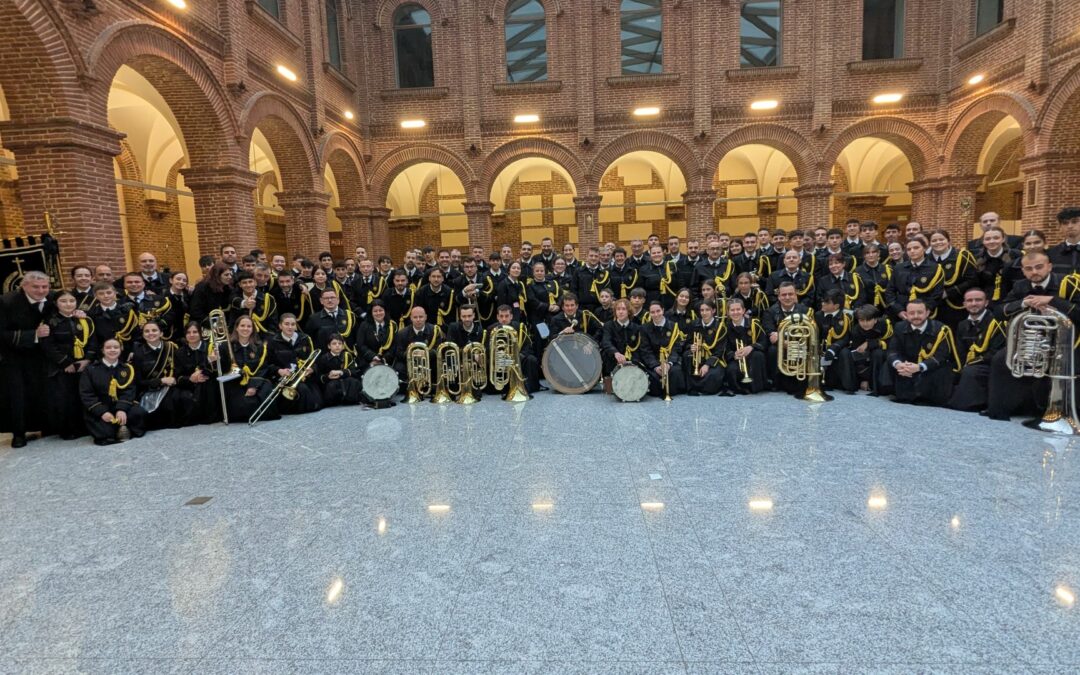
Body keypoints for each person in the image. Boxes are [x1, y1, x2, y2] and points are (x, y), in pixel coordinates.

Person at [986, 251, 1079, 421]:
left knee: (1070, 362)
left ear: (1049, 266)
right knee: (1000, 360)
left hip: (1066, 342)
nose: (1034, 272)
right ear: (1023, 271)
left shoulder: (1068, 283)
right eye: (1029, 269)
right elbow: (999, 312)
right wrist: (1022, 303)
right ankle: (1000, 411)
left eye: (1039, 267)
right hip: (1033, 341)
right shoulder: (1020, 286)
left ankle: (1062, 413)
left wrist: (1052, 300)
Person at [0, 271, 54, 447]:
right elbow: (2, 333)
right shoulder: (6, 302)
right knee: (18, 395)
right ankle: (19, 433)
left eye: (44, 286)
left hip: (43, 356)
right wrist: (33, 335)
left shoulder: (52, 299)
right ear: (24, 286)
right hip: (16, 357)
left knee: (44, 391)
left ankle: (47, 427)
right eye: (36, 287)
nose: (41, 290)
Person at [886, 299, 959, 406]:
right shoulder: (899, 327)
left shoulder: (941, 329)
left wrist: (920, 367)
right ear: (906, 314)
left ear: (928, 313)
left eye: (920, 312)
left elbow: (942, 356)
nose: (916, 316)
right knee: (888, 364)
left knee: (942, 370)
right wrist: (899, 364)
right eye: (911, 313)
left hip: (929, 367)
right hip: (907, 365)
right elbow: (893, 351)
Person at [43, 290, 95, 439]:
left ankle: (86, 427)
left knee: (83, 396)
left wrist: (88, 359)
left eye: (71, 301)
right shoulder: (50, 322)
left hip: (84, 364)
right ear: (56, 303)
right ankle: (68, 430)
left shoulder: (84, 320)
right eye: (63, 301)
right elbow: (48, 346)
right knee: (66, 398)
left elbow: (93, 341)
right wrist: (65, 363)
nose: (68, 304)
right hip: (61, 367)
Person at [947, 288, 1007, 413]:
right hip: (969, 364)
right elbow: (960, 351)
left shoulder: (997, 322)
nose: (973, 303)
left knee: (971, 371)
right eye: (969, 300)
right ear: (964, 304)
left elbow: (996, 352)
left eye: (978, 300)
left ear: (986, 303)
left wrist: (972, 363)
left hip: (989, 365)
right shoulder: (962, 324)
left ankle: (969, 405)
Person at [79, 337, 147, 445]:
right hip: (102, 406)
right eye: (108, 347)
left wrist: (122, 409)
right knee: (104, 432)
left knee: (138, 413)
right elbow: (87, 394)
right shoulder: (91, 370)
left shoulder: (126, 369)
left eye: (116, 347)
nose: (112, 350)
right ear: (102, 350)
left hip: (121, 405)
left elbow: (129, 390)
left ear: (121, 349)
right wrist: (102, 412)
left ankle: (124, 428)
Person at [131, 321, 195, 430]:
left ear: (161, 333)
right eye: (147, 331)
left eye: (154, 330)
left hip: (172, 387)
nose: (150, 333)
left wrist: (175, 379)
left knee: (186, 398)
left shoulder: (172, 347)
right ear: (143, 335)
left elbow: (180, 370)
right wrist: (160, 381)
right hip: (151, 390)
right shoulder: (138, 354)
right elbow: (138, 381)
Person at [220, 315, 279, 424]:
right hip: (235, 383)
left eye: (249, 326)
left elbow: (263, 369)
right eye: (242, 325)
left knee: (266, 393)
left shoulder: (259, 347)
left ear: (253, 329)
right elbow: (222, 371)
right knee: (243, 404)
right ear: (236, 328)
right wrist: (213, 359)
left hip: (255, 381)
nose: (245, 329)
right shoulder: (225, 346)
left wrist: (253, 386)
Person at [763, 281, 813, 395]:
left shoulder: (806, 311)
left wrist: (784, 340)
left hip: (799, 346)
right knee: (772, 350)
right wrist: (787, 342)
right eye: (784, 295)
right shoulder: (770, 312)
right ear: (779, 296)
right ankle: (775, 382)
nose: (787, 297)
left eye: (790, 294)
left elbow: (809, 333)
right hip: (780, 348)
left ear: (796, 295)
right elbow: (772, 337)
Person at [267, 314, 323, 415]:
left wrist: (312, 369)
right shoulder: (272, 342)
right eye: (286, 324)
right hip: (285, 379)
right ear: (280, 326)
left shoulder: (305, 338)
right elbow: (268, 363)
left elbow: (313, 359)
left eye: (293, 324)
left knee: (312, 395)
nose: (290, 327)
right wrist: (279, 370)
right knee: (301, 390)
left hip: (304, 378)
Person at [928, 228, 978, 328]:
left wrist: (949, 292)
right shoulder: (926, 259)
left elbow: (973, 280)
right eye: (934, 240)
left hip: (957, 306)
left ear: (949, 241)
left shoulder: (963, 257)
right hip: (932, 307)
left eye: (941, 239)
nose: (938, 242)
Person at [174, 320, 221, 425]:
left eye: (195, 332)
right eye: (188, 332)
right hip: (189, 386)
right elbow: (178, 377)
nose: (191, 335)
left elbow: (217, 371)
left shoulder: (210, 347)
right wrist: (190, 379)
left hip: (208, 383)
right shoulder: (179, 352)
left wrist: (204, 367)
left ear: (200, 333)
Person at [885, 237, 943, 321]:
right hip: (901, 313)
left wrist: (925, 311)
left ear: (924, 248)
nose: (912, 251)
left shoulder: (935, 268)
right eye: (909, 249)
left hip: (926, 313)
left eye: (916, 248)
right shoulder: (898, 268)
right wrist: (899, 310)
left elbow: (937, 294)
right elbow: (889, 291)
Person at [491, 304, 542, 395]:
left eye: (506, 316)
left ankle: (529, 387)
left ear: (511, 316)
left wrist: (517, 357)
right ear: (497, 317)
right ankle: (501, 388)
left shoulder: (520, 327)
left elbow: (528, 347)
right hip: (500, 360)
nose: (504, 319)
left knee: (531, 359)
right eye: (501, 316)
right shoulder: (491, 329)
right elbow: (488, 350)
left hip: (518, 357)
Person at [682, 300, 730, 396]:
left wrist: (707, 365)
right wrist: (690, 347)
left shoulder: (721, 327)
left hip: (714, 359)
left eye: (707, 310)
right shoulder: (694, 324)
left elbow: (720, 350)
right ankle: (691, 387)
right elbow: (687, 342)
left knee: (712, 376)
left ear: (713, 311)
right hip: (698, 357)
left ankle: (698, 385)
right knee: (686, 356)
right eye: (702, 310)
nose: (704, 313)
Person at [392, 306, 444, 394]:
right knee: (399, 367)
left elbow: (439, 349)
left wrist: (425, 353)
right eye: (415, 317)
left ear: (426, 317)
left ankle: (434, 387)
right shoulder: (402, 333)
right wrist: (412, 354)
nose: (418, 319)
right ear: (411, 318)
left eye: (421, 317)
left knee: (439, 364)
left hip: (429, 362)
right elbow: (398, 353)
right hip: (410, 363)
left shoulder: (435, 330)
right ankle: (408, 388)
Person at [721, 297, 767, 394]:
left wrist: (751, 347)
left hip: (752, 356)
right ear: (728, 312)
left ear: (743, 311)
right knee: (731, 369)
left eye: (738, 309)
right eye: (732, 310)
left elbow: (764, 342)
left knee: (758, 356)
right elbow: (724, 348)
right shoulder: (725, 328)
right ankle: (740, 389)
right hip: (736, 358)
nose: (735, 312)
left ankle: (755, 387)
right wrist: (733, 355)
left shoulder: (754, 324)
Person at [815, 289, 856, 394]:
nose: (823, 304)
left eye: (827, 302)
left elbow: (847, 337)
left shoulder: (848, 316)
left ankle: (849, 385)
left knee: (845, 353)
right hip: (822, 347)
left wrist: (833, 349)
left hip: (840, 347)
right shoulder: (818, 315)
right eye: (823, 301)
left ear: (836, 306)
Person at [848, 305, 892, 394]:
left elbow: (891, 342)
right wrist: (865, 379)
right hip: (866, 362)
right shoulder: (856, 331)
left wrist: (870, 343)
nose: (865, 323)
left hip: (883, 355)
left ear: (875, 320)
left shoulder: (884, 325)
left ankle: (880, 386)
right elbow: (859, 358)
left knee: (878, 353)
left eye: (868, 320)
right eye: (861, 320)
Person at [87, 282, 139, 356]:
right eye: (101, 294)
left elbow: (136, 333)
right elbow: (93, 338)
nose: (106, 296)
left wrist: (133, 351)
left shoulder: (127, 311)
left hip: (127, 352)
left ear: (115, 293)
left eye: (109, 293)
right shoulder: (92, 314)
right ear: (96, 296)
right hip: (104, 353)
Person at [316, 334, 364, 407]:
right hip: (331, 382)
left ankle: (351, 399)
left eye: (340, 343)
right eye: (334, 343)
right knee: (331, 386)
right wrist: (328, 376)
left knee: (353, 381)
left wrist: (342, 372)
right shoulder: (323, 358)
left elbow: (355, 371)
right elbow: (319, 376)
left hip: (345, 380)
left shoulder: (347, 355)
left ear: (343, 346)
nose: (337, 345)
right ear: (329, 346)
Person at [229, 270, 277, 335]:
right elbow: (233, 322)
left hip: (262, 335)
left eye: (250, 282)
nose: (248, 285)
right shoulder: (236, 300)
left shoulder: (268, 298)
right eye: (244, 283)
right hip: (240, 336)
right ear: (240, 285)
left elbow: (273, 323)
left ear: (255, 283)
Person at [356, 300, 397, 373]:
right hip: (368, 360)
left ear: (385, 311)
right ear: (371, 313)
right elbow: (361, 345)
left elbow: (395, 345)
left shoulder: (392, 325)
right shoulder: (364, 325)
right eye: (375, 311)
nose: (378, 313)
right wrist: (373, 357)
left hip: (388, 360)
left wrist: (384, 359)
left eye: (380, 310)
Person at [639, 245, 679, 310]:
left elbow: (680, 284)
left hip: (671, 303)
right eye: (654, 253)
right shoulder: (643, 269)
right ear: (650, 255)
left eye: (659, 252)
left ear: (663, 253)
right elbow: (641, 288)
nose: (656, 254)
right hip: (651, 303)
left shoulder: (672, 266)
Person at [1047, 206, 1080, 274]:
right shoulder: (1050, 254)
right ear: (1060, 227)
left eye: (1074, 221)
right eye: (1065, 223)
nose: (1070, 226)